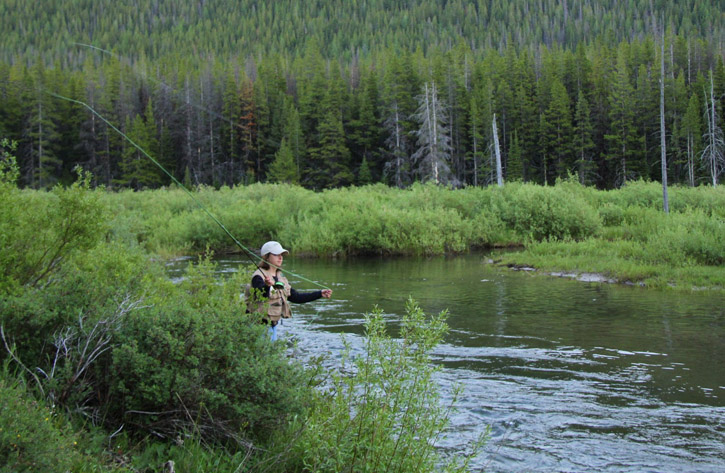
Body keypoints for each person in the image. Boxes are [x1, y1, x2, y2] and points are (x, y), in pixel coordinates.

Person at [249, 241, 332, 341]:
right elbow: (260, 296)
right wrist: (267, 286)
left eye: (281, 255)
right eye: (276, 255)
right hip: (259, 326)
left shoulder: (280, 277)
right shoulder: (258, 276)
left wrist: (319, 294)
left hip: (272, 325)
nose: (280, 258)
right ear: (266, 257)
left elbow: (296, 297)